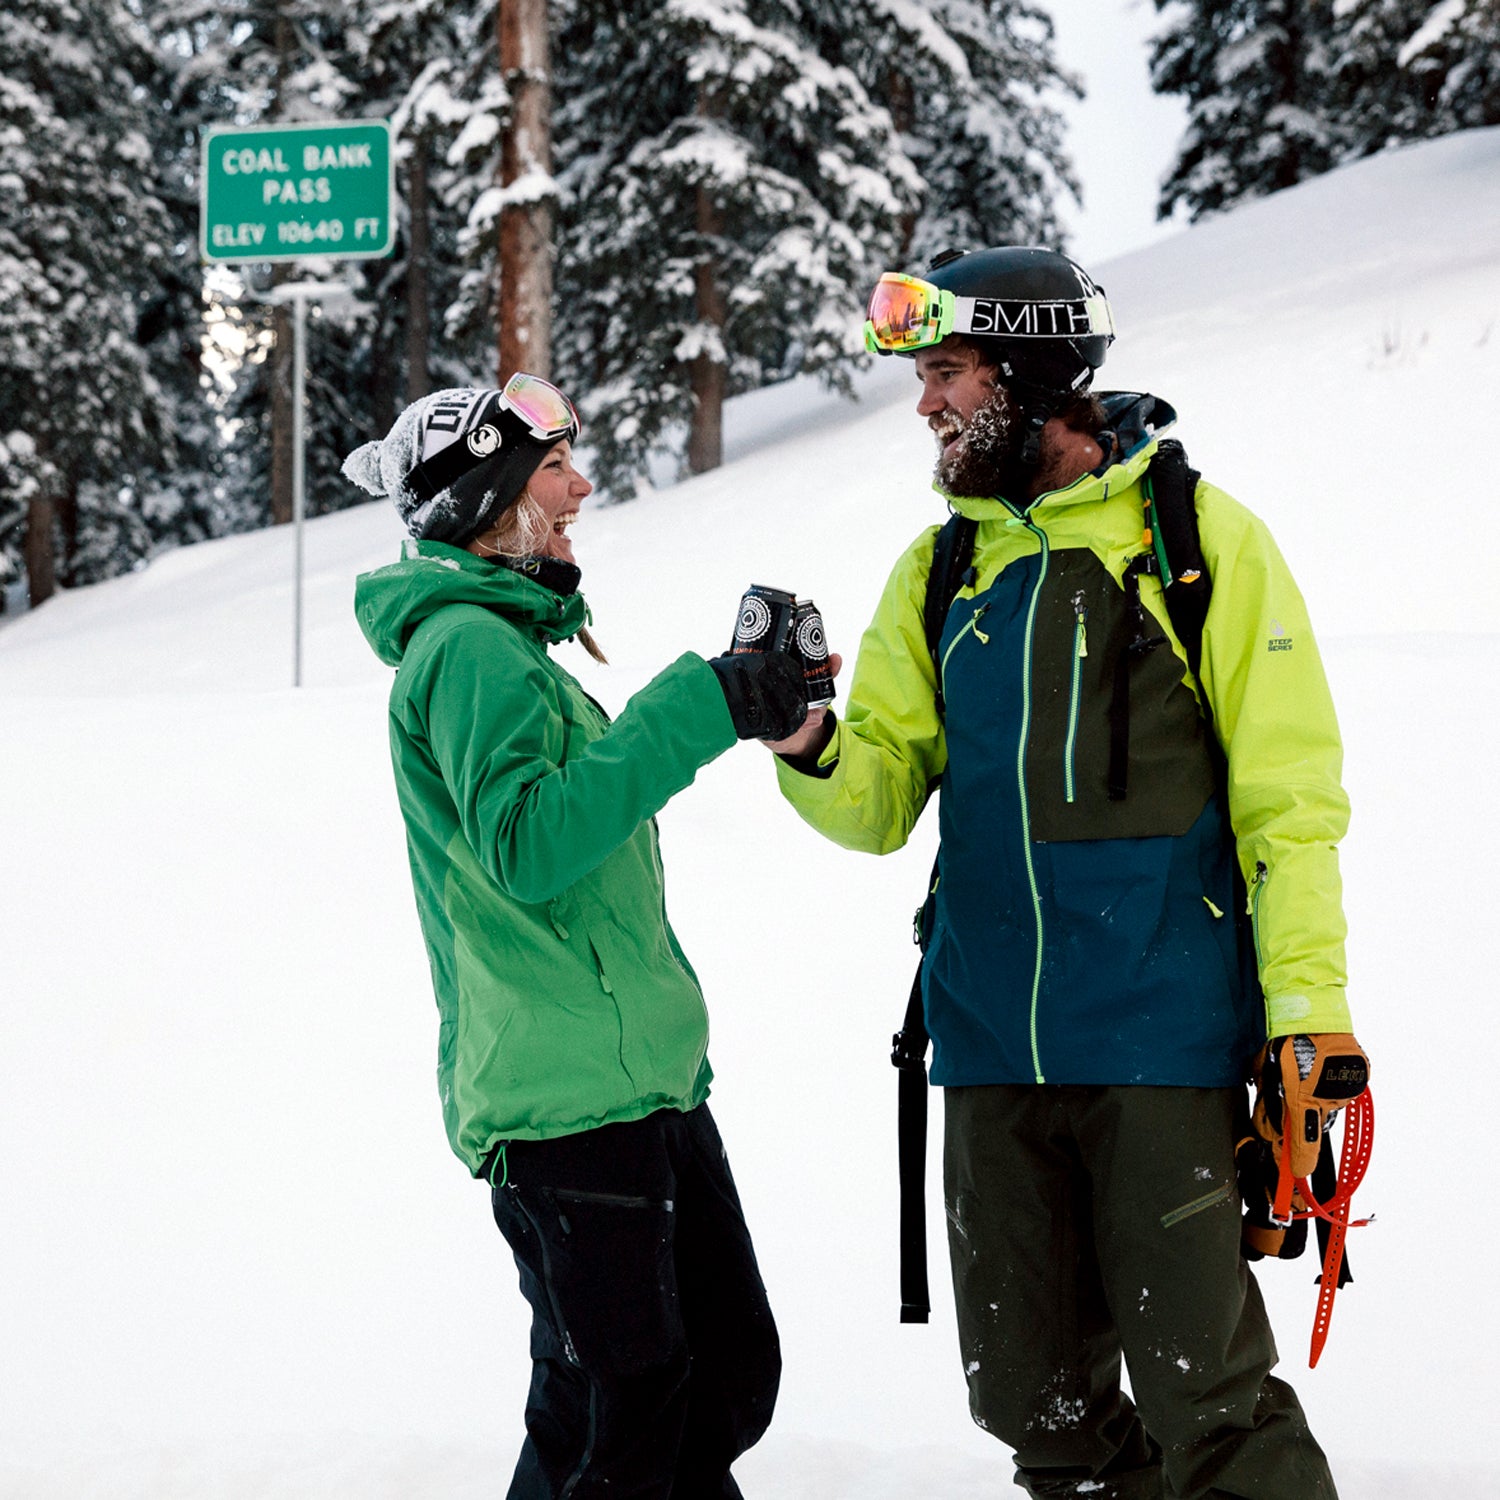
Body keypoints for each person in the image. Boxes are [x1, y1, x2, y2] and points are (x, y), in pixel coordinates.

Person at [766, 247, 1369, 1499]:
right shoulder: (940, 572)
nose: (925, 406)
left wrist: (1311, 1016)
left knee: (1208, 1397)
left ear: (1032, 376)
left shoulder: (1200, 545)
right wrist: (804, 739)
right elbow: (880, 800)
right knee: (1036, 1408)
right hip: (988, 1052)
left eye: (947, 374)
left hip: (1161, 1045)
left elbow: (1290, 806)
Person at [347, 375, 806, 1499]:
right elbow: (528, 844)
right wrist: (699, 703)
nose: (581, 485)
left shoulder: (510, 644)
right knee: (628, 1408)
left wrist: (739, 701)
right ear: (490, 495)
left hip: (637, 1080)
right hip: (564, 1101)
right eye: (555, 467)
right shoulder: (466, 648)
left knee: (712, 1377)